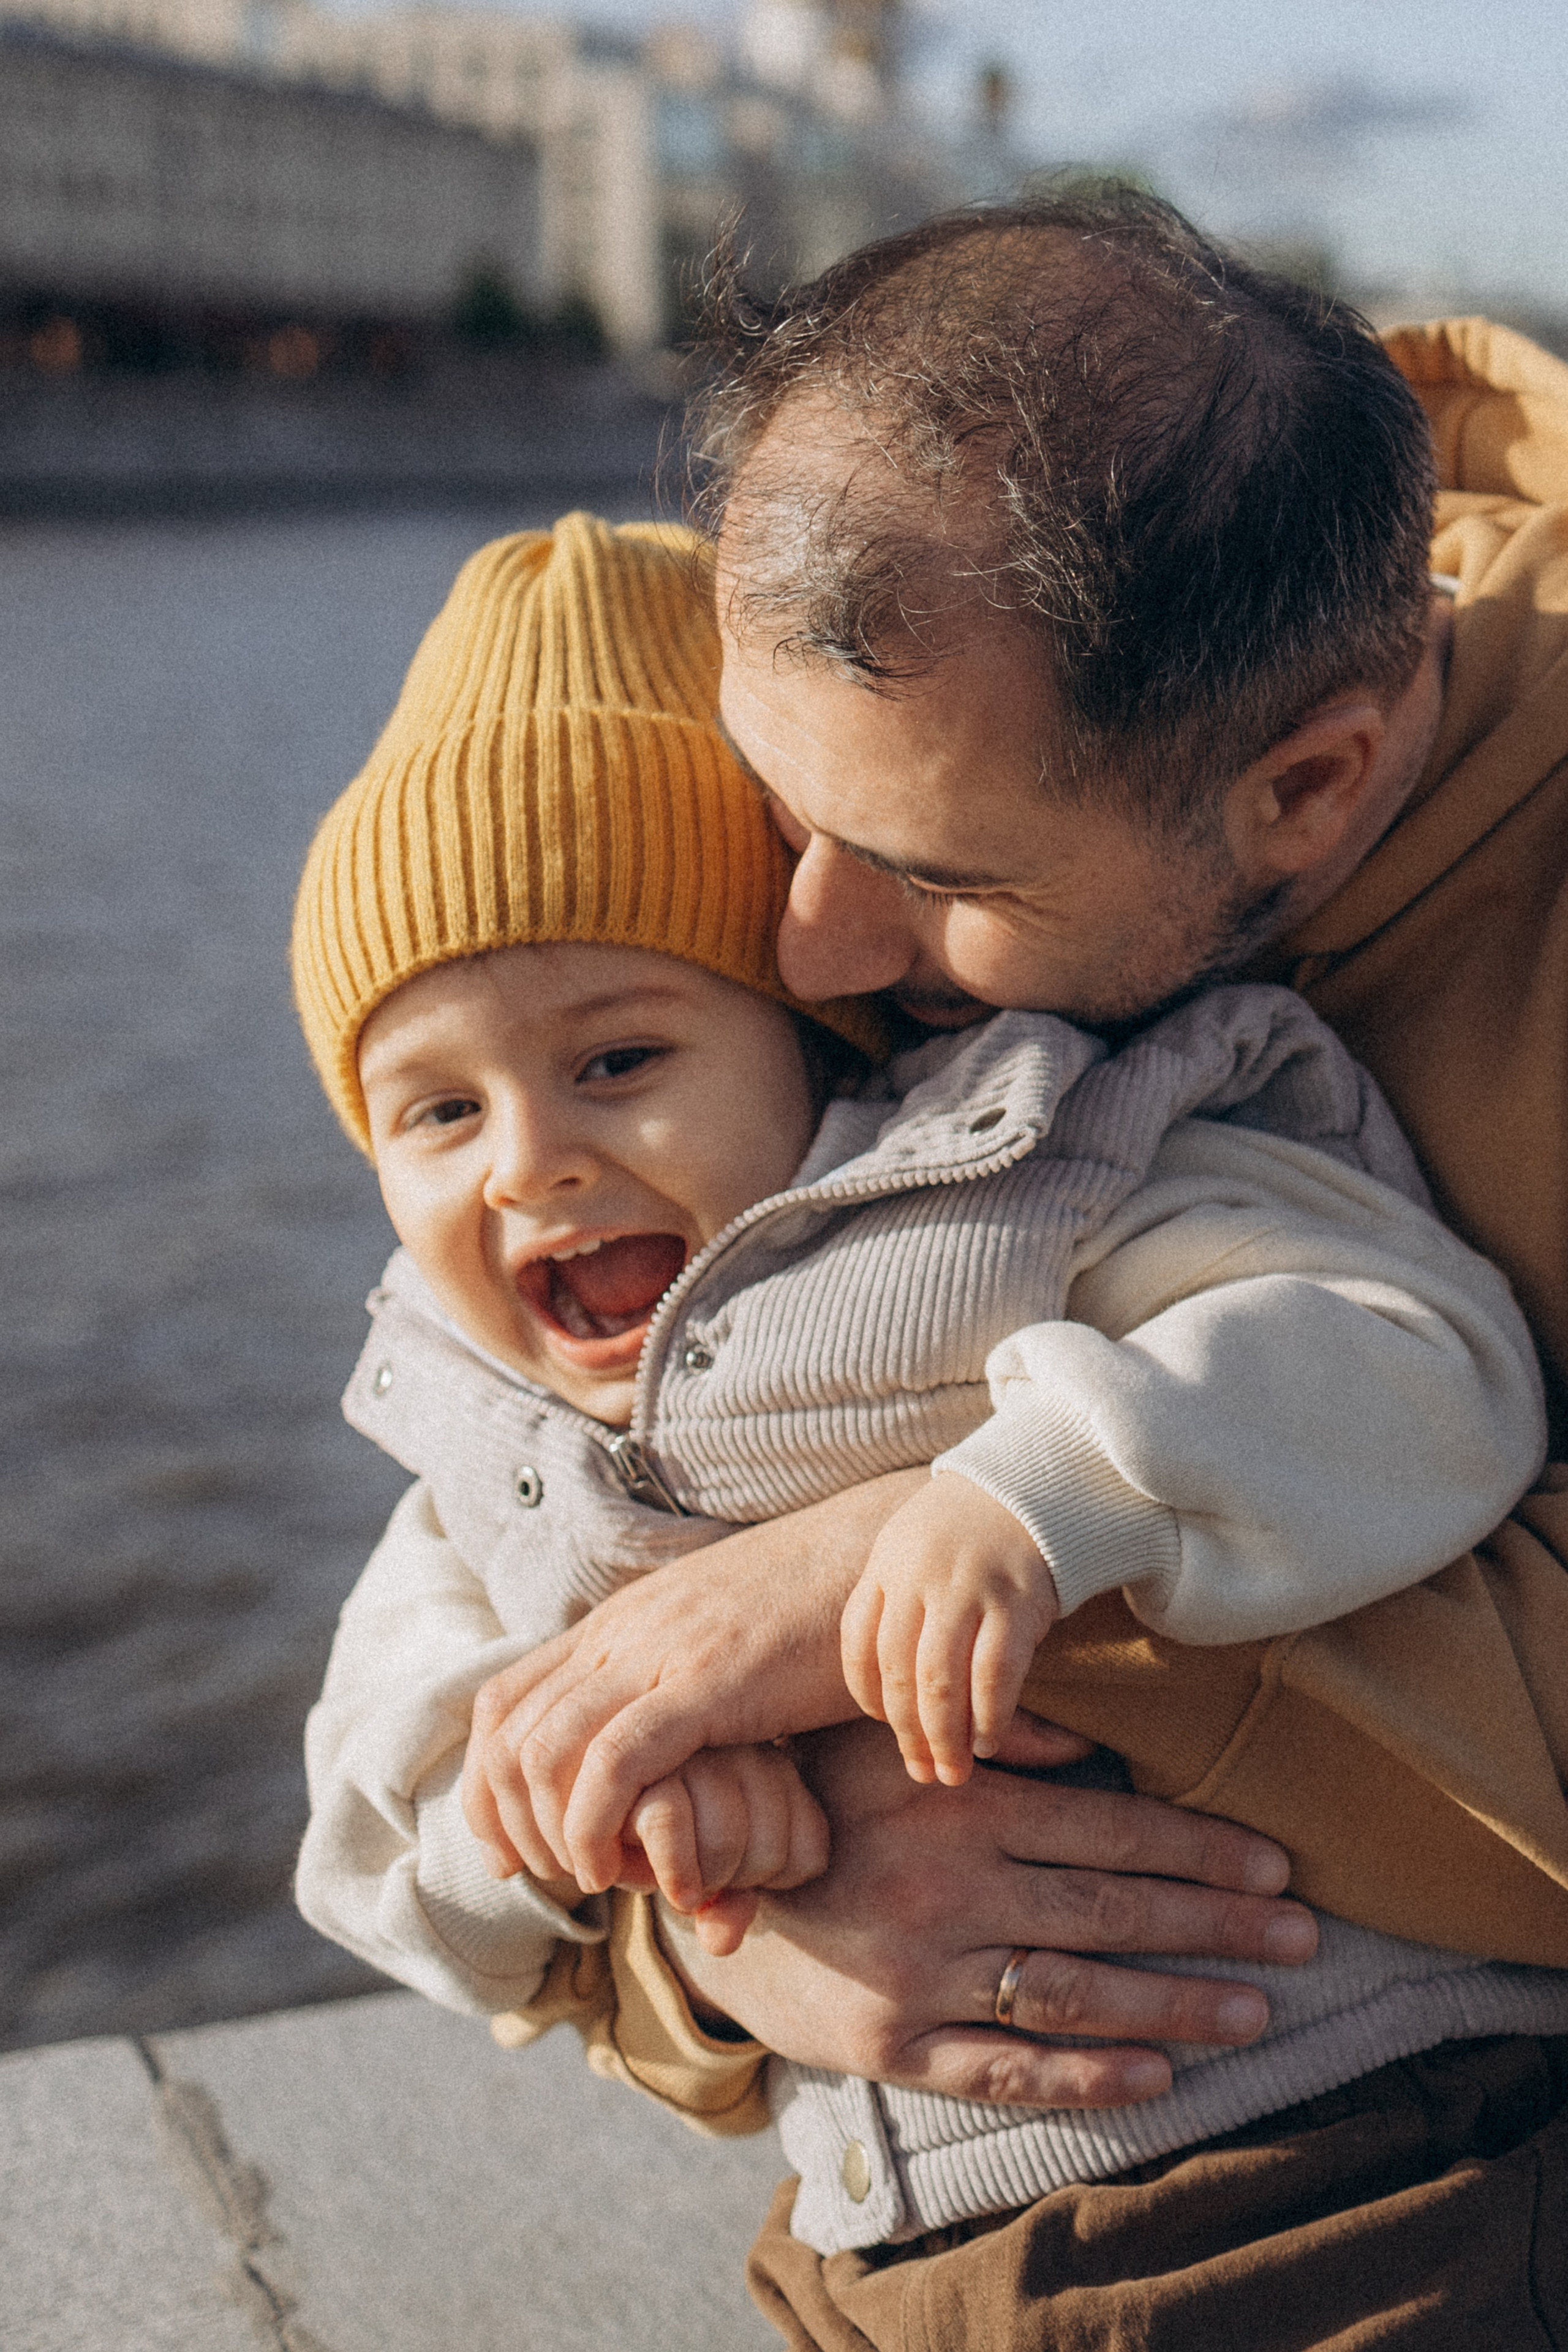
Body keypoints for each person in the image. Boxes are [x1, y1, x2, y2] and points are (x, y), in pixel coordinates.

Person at [452, 198, 1568, 2345]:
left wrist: (895, 1609)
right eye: (786, 821)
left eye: (935, 884)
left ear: (1308, 784)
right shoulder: (931, 723)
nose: (811, 955)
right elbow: (535, 1500)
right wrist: (712, 1933)